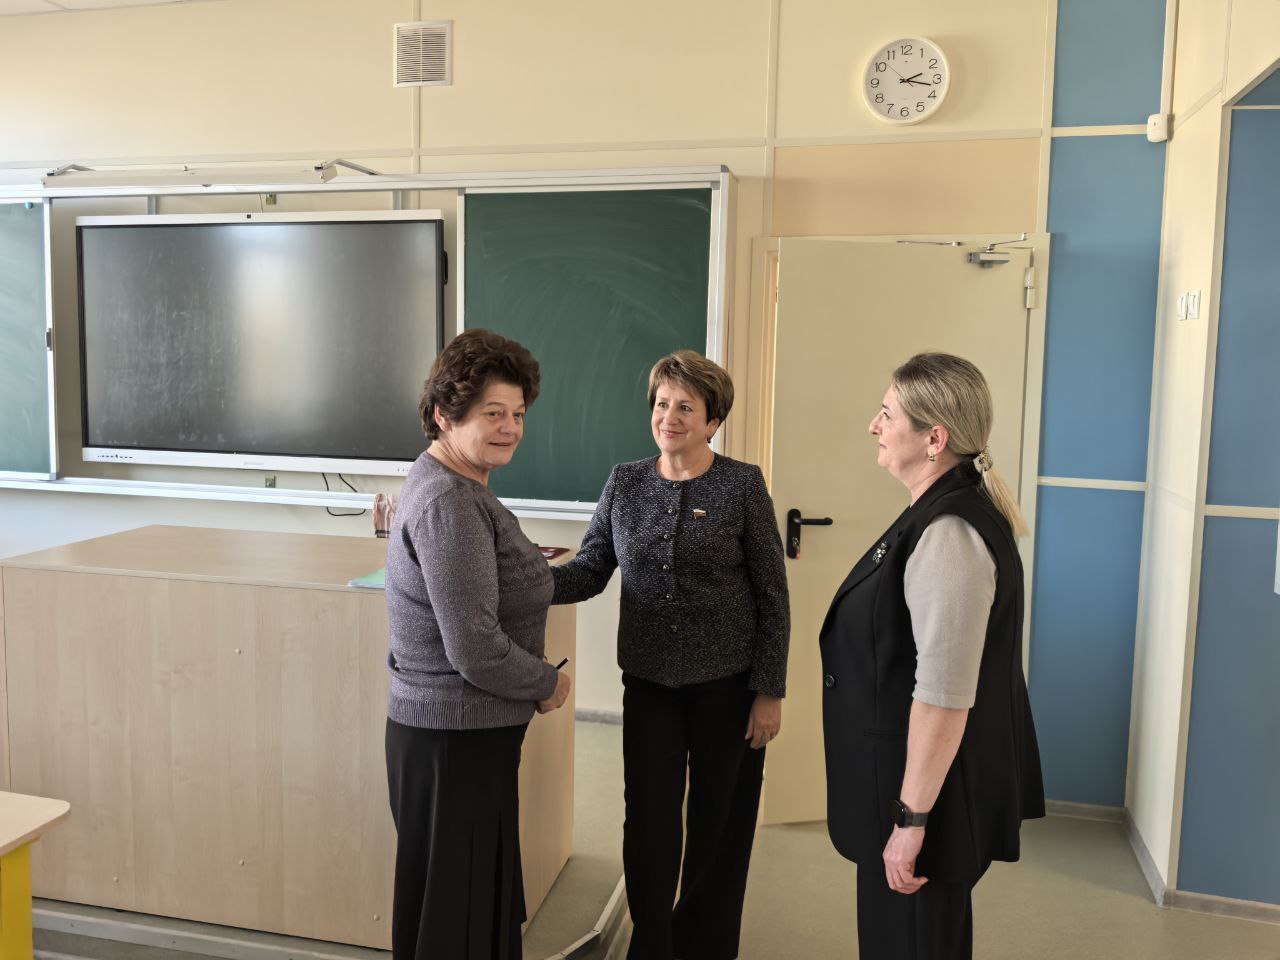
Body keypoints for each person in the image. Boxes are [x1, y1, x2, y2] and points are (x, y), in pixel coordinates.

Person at [552, 349, 790, 960]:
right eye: (662, 404)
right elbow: (589, 569)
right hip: (650, 684)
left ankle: (704, 947)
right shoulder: (625, 481)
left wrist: (769, 690)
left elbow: (772, 594)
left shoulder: (742, 485)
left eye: (686, 407)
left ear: (713, 421)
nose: (669, 417)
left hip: (728, 687)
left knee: (720, 823)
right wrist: (522, 580)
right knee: (649, 824)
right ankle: (652, 944)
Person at [821, 352, 1044, 960]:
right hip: (909, 787)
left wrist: (911, 822)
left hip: (922, 804)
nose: (873, 425)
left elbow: (944, 696)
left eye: (887, 414)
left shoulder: (950, 534)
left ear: (934, 440)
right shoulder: (936, 511)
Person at [383, 328, 572, 960]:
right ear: (445, 413)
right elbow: (474, 646)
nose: (510, 428)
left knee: (460, 910)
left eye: (518, 414)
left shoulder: (455, 482)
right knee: (457, 923)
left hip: (455, 736)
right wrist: (547, 682)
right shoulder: (451, 503)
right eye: (493, 413)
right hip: (454, 740)